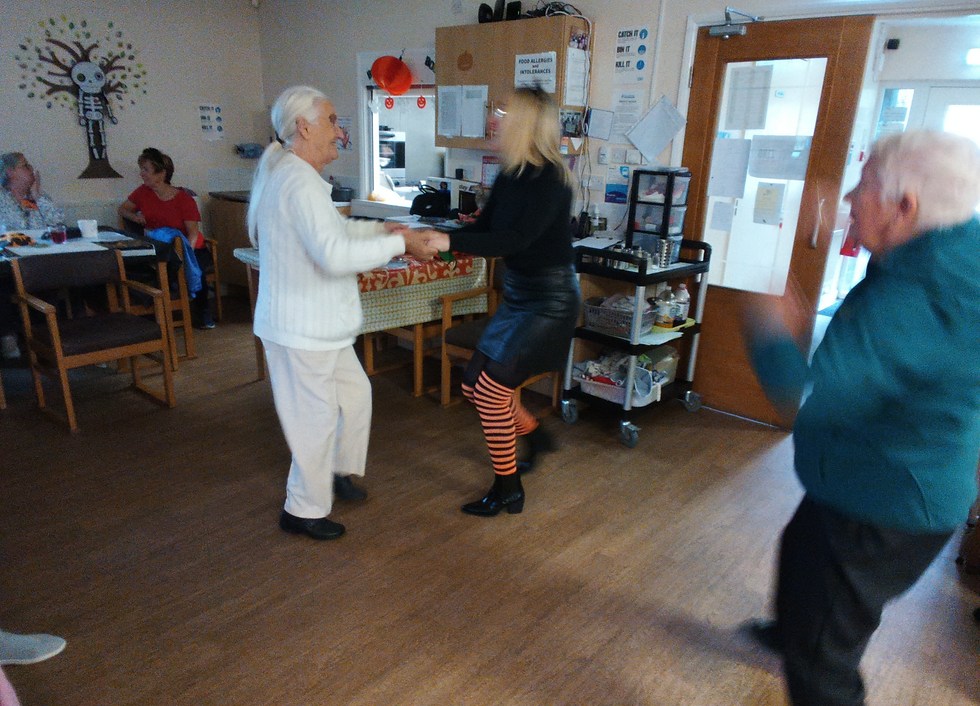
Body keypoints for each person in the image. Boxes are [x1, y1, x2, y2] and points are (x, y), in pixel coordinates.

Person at [742, 130, 980, 706]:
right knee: (802, 547)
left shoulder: (919, 296)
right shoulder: (952, 244)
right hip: (871, 474)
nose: (849, 195)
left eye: (864, 185)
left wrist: (770, 331)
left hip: (886, 504)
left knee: (823, 662)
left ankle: (812, 645)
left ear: (907, 207)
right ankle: (794, 627)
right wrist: (858, 223)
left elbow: (806, 400)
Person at [248, 86, 438, 541]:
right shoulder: (294, 180)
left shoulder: (303, 178)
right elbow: (332, 254)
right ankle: (303, 509)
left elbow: (333, 231)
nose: (340, 131)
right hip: (300, 329)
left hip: (321, 329)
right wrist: (400, 243)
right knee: (312, 422)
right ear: (304, 127)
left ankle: (336, 471)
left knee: (354, 398)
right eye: (332, 121)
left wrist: (382, 228)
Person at [420, 88, 580, 517]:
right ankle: (535, 434)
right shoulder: (511, 175)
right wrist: (441, 241)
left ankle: (508, 489)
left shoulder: (550, 180)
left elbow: (514, 240)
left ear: (526, 122)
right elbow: (486, 227)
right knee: (474, 386)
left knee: (490, 391)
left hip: (550, 301)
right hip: (520, 296)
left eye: (504, 112)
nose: (495, 118)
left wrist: (448, 241)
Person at [118, 148, 217, 329]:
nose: (142, 174)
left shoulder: (184, 199)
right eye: (142, 169)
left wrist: (186, 253)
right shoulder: (142, 193)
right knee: (142, 271)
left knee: (195, 269)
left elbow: (193, 234)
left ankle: (203, 312)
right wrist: (136, 217)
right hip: (159, 247)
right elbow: (123, 209)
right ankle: (154, 314)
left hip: (189, 246)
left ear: (162, 173)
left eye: (146, 170)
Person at [0, 153, 67, 360]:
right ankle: (7, 337)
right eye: (24, 166)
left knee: (68, 277)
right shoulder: (2, 199)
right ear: (10, 172)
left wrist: (37, 197)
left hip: (41, 262)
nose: (31, 168)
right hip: (9, 261)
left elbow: (58, 225)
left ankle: (55, 339)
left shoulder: (38, 197)